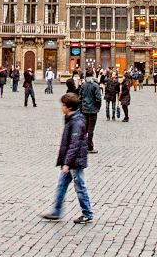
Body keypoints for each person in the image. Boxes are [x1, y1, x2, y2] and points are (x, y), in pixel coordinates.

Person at [40, 92, 95, 225]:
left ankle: (87, 213)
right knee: (61, 185)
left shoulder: (76, 122)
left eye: (63, 105)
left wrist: (67, 163)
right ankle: (56, 211)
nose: (61, 107)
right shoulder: (72, 119)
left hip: (74, 162)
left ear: (68, 107)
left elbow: (74, 144)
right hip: (71, 160)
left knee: (80, 186)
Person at [78, 73, 103, 154]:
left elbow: (80, 97)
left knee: (85, 128)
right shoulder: (95, 85)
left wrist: (81, 107)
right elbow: (98, 98)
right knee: (91, 129)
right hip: (92, 110)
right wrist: (98, 107)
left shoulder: (83, 85)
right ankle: (89, 146)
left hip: (84, 109)